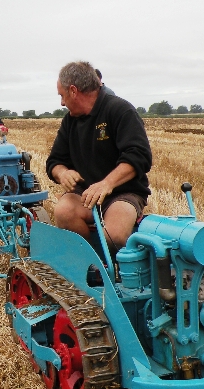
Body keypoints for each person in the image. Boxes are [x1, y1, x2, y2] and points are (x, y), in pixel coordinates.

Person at [46, 61, 152, 252]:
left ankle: (114, 268)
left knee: (114, 235)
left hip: (123, 193)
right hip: (85, 194)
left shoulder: (120, 110)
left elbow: (139, 156)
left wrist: (107, 184)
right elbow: (55, 161)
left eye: (62, 96)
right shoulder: (70, 121)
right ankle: (92, 264)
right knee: (63, 211)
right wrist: (62, 173)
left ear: (73, 90)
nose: (62, 103)